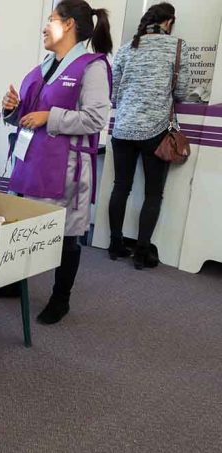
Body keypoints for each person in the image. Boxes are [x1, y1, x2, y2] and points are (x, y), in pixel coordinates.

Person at [0, 0, 113, 324]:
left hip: (65, 168)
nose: (44, 27)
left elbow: (94, 119)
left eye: (51, 20)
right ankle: (12, 284)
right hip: (31, 161)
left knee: (66, 235)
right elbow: (26, 117)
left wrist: (51, 117)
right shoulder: (45, 67)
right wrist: (11, 108)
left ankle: (60, 298)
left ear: (69, 26)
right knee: (22, 227)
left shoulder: (93, 67)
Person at [107, 2, 190, 270]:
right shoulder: (177, 47)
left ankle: (115, 244)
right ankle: (142, 252)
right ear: (169, 22)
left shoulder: (126, 48)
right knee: (153, 194)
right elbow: (181, 92)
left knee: (121, 186)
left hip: (122, 129)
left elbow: (113, 93)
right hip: (155, 130)